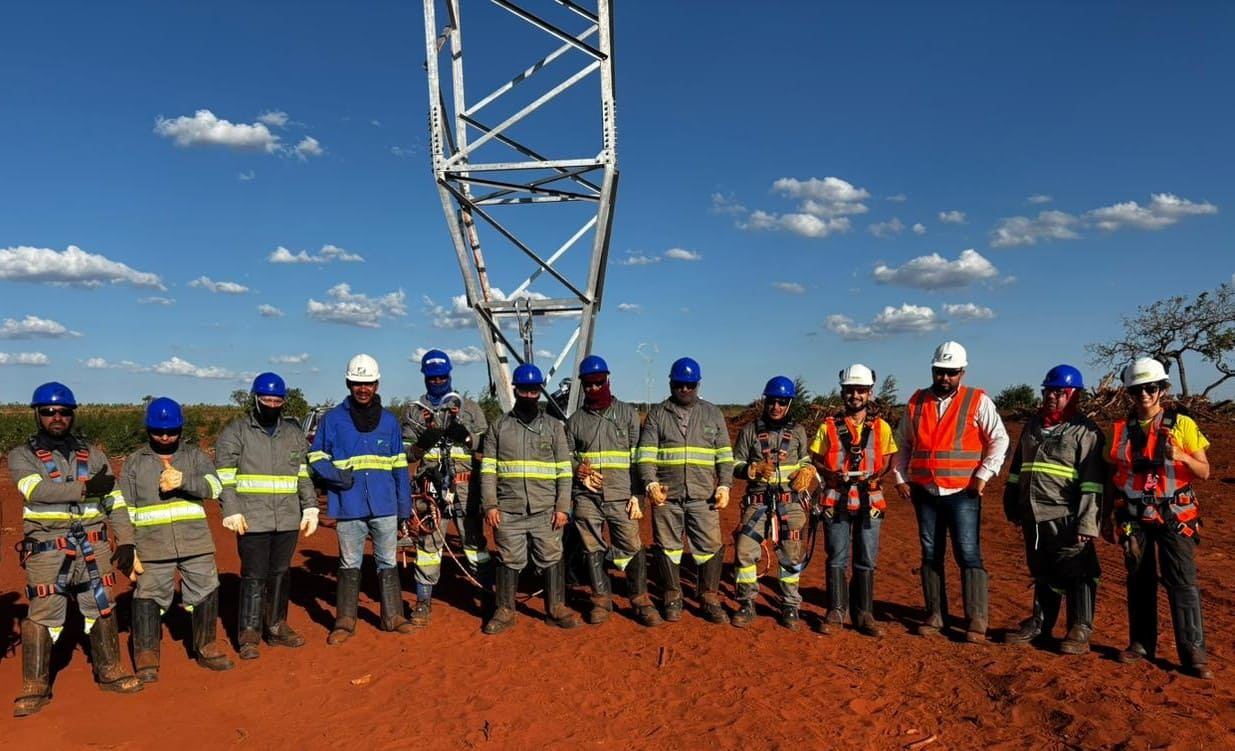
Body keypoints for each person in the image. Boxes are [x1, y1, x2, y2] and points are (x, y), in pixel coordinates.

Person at [8, 382, 142, 717]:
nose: (57, 417)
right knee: (44, 612)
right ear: (37, 414)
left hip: (93, 546)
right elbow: (35, 489)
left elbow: (115, 499)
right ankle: (35, 684)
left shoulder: (93, 455)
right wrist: (84, 489)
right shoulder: (22, 456)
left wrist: (125, 539)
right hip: (48, 547)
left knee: (102, 605)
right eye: (49, 411)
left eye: (64, 412)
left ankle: (110, 669)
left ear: (73, 415)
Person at [1103, 357, 1213, 679]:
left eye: (1150, 388)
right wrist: (1108, 517)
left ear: (1162, 389)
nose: (1144, 395)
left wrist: (1181, 456)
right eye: (1137, 390)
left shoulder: (1183, 425)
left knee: (1182, 582)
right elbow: (1112, 475)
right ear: (1129, 393)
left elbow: (1205, 472)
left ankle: (1194, 653)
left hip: (1174, 515)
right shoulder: (1119, 431)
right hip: (1133, 516)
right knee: (1139, 580)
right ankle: (1140, 644)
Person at [893, 341, 1009, 643]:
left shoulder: (977, 401)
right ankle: (934, 615)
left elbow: (999, 438)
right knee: (931, 553)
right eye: (940, 371)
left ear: (962, 372)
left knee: (968, 553)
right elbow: (902, 443)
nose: (945, 378)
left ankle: (976, 621)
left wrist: (984, 475)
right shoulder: (916, 402)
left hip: (963, 492)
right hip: (925, 491)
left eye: (951, 372)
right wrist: (900, 477)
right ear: (933, 370)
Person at [120, 397, 234, 682]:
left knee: (206, 589)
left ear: (181, 429)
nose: (166, 437)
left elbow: (215, 486)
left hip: (195, 542)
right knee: (147, 595)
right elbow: (125, 509)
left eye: (171, 431)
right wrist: (128, 547)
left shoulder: (195, 457)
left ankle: (206, 646)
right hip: (152, 545)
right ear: (148, 430)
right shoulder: (135, 463)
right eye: (159, 432)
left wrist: (185, 482)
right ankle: (147, 653)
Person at [309, 354, 415, 643]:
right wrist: (335, 476)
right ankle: (344, 621)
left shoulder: (390, 422)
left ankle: (392, 616)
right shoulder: (333, 420)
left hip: (385, 506)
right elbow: (315, 456)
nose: (363, 389)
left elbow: (399, 467)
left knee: (386, 561)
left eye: (368, 383)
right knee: (350, 562)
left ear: (377, 384)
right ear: (348, 383)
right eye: (357, 383)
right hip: (349, 504)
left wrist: (404, 506)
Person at [1002, 365, 1105, 654]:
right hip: (1034, 515)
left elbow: (1093, 483)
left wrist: (1087, 523)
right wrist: (1012, 500)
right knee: (1043, 571)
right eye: (1048, 391)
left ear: (1073, 396)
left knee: (1079, 572)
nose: (1051, 397)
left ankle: (1080, 628)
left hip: (1066, 516)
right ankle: (1041, 623)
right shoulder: (1033, 425)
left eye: (1059, 392)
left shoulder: (1086, 432)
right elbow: (1017, 468)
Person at [215, 372, 318, 659]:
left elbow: (303, 473)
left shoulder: (293, 434)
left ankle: (276, 625)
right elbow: (224, 475)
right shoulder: (236, 432)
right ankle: (248, 633)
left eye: (277, 400)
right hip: (252, 518)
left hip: (286, 517)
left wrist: (310, 506)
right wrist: (231, 508)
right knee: (253, 575)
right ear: (256, 399)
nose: (272, 404)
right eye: (266, 399)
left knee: (280, 573)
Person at [481, 363, 580, 633]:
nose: (528, 395)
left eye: (533, 391)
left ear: (540, 391)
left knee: (551, 557)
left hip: (545, 509)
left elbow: (564, 472)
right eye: (523, 390)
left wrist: (563, 508)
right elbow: (488, 471)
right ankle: (504, 610)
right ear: (516, 390)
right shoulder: (499, 427)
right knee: (509, 559)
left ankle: (555, 608)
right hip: (509, 510)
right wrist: (490, 504)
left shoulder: (553, 428)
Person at [566, 355, 663, 627]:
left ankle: (640, 599)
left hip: (622, 495)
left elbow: (639, 457)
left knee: (631, 545)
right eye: (588, 385)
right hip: (587, 497)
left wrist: (638, 496)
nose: (594, 389)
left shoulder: (628, 415)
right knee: (591, 545)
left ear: (607, 380)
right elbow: (566, 455)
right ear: (583, 385)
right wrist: (577, 469)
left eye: (598, 383)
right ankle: (600, 600)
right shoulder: (575, 421)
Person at [636, 357, 734, 625]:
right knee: (668, 546)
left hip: (703, 497)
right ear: (671, 383)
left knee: (710, 546)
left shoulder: (712, 413)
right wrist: (650, 483)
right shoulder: (658, 413)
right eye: (680, 384)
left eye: (690, 385)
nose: (685, 390)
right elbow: (645, 455)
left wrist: (724, 484)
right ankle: (671, 595)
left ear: (698, 384)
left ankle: (709, 596)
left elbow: (725, 455)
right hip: (668, 496)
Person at [400, 349, 490, 628]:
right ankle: (423, 601)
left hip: (465, 489)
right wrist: (419, 446)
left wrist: (468, 438)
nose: (437, 382)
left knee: (474, 543)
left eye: (442, 377)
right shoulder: (413, 412)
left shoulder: (470, 409)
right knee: (428, 545)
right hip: (430, 489)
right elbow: (403, 453)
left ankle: (487, 594)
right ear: (425, 377)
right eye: (432, 378)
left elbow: (488, 445)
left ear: (450, 375)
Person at [810, 365, 897, 637]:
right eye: (850, 391)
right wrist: (830, 473)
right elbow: (815, 458)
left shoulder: (881, 427)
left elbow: (890, 458)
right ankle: (836, 610)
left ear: (870, 393)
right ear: (843, 393)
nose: (855, 396)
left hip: (869, 498)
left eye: (860, 390)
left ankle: (864, 612)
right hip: (836, 496)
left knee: (866, 557)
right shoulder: (828, 427)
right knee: (836, 555)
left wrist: (875, 475)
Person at [731, 376, 815, 631]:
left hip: (790, 502)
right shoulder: (750, 431)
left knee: (791, 554)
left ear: (789, 404)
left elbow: (805, 461)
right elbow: (734, 464)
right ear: (765, 401)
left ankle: (790, 605)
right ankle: (746, 602)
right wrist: (752, 470)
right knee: (745, 550)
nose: (776, 406)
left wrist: (808, 471)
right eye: (772, 401)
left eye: (781, 402)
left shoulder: (799, 432)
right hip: (758, 502)